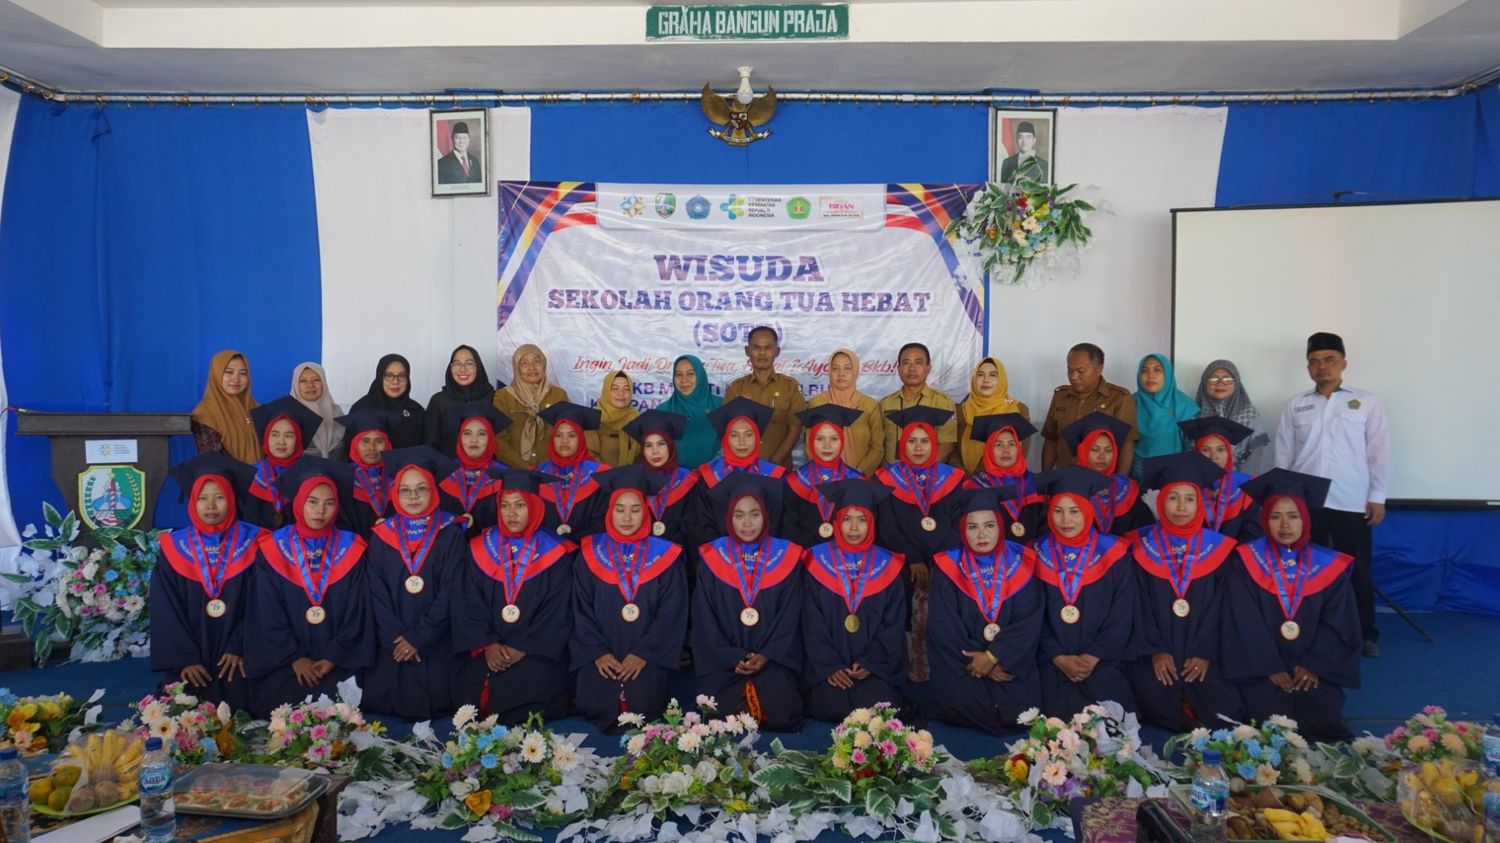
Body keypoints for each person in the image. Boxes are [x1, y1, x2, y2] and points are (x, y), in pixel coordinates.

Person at [1274, 332, 1390, 657]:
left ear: (1343, 364)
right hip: (1305, 504)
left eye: (1329, 360)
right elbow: (1284, 454)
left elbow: (1379, 451)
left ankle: (1365, 633)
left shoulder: (1365, 401)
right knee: (1308, 568)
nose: (1321, 366)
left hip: (1351, 500)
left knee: (1357, 568)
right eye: (1314, 361)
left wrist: (1377, 495)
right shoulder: (1296, 405)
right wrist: (1284, 501)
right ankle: (1311, 628)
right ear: (1308, 367)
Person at [1223, 469, 1360, 742]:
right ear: (1264, 519)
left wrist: (1314, 665)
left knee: (1324, 717)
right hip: (1260, 668)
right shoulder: (1245, 560)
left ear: (1305, 519)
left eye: (1293, 516)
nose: (1285, 525)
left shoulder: (1329, 564)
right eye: (1275, 516)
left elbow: (1338, 622)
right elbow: (1243, 619)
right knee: (1263, 720)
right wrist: (1269, 666)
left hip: (1312, 668)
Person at [244, 457, 371, 717]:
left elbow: (359, 609)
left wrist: (335, 656)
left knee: (346, 709)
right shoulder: (271, 548)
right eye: (312, 502)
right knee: (282, 708)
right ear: (300, 503)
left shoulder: (353, 547)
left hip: (338, 660)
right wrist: (294, 657)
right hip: (286, 662)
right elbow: (266, 610)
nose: (320, 511)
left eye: (329, 502)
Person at [1127, 452, 1244, 732]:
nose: (1181, 507)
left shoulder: (1222, 549)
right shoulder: (1139, 546)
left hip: (1206, 650)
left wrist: (1204, 651)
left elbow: (1224, 607)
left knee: (1228, 708)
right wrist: (1156, 650)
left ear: (1200, 503)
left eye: (1190, 498)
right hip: (1155, 650)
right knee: (1146, 701)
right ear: (1161, 500)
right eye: (1173, 497)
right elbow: (1136, 605)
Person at [454, 469, 576, 723]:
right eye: (505, 505)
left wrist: (523, 646)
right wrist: (487, 644)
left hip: (534, 653)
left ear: (534, 507)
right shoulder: (479, 547)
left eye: (520, 505)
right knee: (467, 699)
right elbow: (467, 600)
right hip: (488, 649)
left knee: (530, 703)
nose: (511, 513)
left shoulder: (557, 552)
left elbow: (557, 609)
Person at [572, 467, 687, 730]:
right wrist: (598, 653)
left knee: (646, 705)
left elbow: (671, 611)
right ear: (609, 511)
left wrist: (643, 654)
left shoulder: (666, 555)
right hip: (600, 657)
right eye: (620, 509)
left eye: (635, 510)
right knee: (594, 704)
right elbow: (580, 607)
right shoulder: (589, 552)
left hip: (647, 658)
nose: (627, 517)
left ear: (646, 511)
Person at [150, 453, 266, 711]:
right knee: (180, 705)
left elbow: (263, 603)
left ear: (232, 499)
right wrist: (184, 658)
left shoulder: (256, 543)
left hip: (238, 655)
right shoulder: (174, 547)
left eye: (220, 497)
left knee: (244, 704)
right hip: (191, 654)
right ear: (192, 501)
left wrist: (240, 645)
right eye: (203, 498)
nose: (211, 506)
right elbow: (165, 610)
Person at [928, 487, 1045, 734]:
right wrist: (982, 662)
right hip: (966, 667)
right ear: (962, 530)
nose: (982, 534)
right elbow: (945, 626)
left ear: (1000, 526)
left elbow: (1028, 621)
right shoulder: (947, 566)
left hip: (1011, 664)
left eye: (989, 525)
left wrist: (995, 657)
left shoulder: (1021, 561)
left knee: (1024, 707)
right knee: (962, 703)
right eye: (973, 527)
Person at [694, 472, 805, 730]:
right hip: (724, 662)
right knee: (715, 713)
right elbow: (704, 618)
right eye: (739, 515)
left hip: (773, 658)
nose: (747, 524)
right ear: (728, 517)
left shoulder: (786, 555)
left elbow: (790, 614)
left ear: (766, 516)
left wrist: (767, 654)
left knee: (782, 709)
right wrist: (733, 656)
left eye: (755, 514)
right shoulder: (711, 557)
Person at [362, 446, 467, 719]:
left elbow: (451, 591)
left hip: (437, 641)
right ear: (395, 493)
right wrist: (398, 638)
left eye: (422, 489)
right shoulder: (382, 536)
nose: (413, 496)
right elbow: (376, 593)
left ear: (434, 492)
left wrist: (418, 638)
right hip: (392, 642)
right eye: (405, 490)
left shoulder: (450, 534)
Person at [1031, 466, 1138, 717]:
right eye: (1058, 511)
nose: (1066, 520)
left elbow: (1122, 613)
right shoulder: (1035, 554)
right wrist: (1058, 657)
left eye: (1074, 511)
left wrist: (1093, 655)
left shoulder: (1114, 553)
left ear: (1088, 511)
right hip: (1051, 662)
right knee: (1050, 725)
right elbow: (1032, 615)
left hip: (1102, 661)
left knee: (1114, 723)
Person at [800, 479, 908, 722]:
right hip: (828, 667)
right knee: (827, 705)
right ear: (837, 522)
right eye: (847, 519)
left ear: (872, 523)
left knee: (879, 706)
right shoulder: (816, 560)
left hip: (874, 666)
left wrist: (871, 663)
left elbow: (893, 623)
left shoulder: (888, 564)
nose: (854, 527)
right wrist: (829, 666)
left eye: (862, 519)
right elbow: (810, 620)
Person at [875, 406, 966, 682]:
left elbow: (957, 524)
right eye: (911, 441)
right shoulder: (886, 480)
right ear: (903, 444)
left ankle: (943, 669)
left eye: (925, 441)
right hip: (903, 563)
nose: (918, 447)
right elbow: (886, 526)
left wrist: (937, 560)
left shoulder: (953, 479)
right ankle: (905, 669)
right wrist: (913, 558)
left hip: (943, 562)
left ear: (934, 444)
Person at [1040, 343, 1138, 471]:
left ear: (1099, 369)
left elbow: (1127, 443)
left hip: (1102, 479)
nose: (1073, 376)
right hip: (1064, 478)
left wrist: (1121, 480)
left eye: (1080, 371)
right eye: (1070, 370)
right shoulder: (1060, 396)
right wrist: (1045, 476)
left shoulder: (1119, 398)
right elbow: (1051, 440)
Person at [723, 326, 807, 469]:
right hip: (744, 471)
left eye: (768, 347)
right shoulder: (736, 389)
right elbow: (728, 432)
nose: (762, 353)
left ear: (777, 351)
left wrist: (773, 464)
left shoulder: (790, 387)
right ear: (747, 351)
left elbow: (795, 430)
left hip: (780, 471)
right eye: (756, 347)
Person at [784, 405, 864, 549]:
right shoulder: (795, 481)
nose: (827, 446)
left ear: (842, 441)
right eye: (820, 439)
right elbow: (789, 526)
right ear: (811, 441)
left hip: (844, 557)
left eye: (834, 439)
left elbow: (862, 527)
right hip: (805, 555)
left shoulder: (857, 481)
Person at [1061, 412, 1153, 537]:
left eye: (1108, 450)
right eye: (1094, 449)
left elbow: (1141, 532)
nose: (1102, 456)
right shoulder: (1065, 487)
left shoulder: (1127, 489)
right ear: (1082, 451)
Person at [963, 413, 1046, 543]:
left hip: (1032, 554)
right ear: (989, 449)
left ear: (1019, 448)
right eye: (998, 444)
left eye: (1011, 444)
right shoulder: (975, 487)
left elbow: (1045, 526)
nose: (1006, 450)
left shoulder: (1035, 484)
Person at [618, 410, 698, 545]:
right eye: (648, 445)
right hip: (640, 554)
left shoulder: (689, 479)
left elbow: (693, 526)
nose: (655, 451)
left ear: (670, 446)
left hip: (678, 552)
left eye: (661, 444)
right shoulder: (632, 479)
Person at [243, 397, 323, 530]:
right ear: (266, 437)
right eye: (275, 434)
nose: (281, 442)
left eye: (289, 436)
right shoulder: (252, 475)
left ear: (298, 440)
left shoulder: (311, 475)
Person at [437, 402, 512, 537]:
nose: (474, 440)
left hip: (490, 549)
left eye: (482, 434)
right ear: (460, 438)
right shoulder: (444, 472)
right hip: (448, 548)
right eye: (467, 433)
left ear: (490, 438)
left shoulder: (505, 475)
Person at [1180, 417, 1260, 541]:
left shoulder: (1248, 486)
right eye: (1205, 450)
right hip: (1196, 555)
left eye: (1221, 450)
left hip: (1237, 556)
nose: (1214, 457)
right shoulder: (1185, 487)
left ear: (1228, 453)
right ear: (1196, 452)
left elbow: (1253, 533)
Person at [879, 343, 959, 465]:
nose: (912, 368)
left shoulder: (942, 402)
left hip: (927, 476)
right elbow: (879, 444)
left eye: (918, 362)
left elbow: (947, 444)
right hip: (892, 476)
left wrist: (922, 471)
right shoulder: (885, 404)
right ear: (899, 368)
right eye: (906, 363)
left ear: (928, 368)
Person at [493, 344, 570, 468]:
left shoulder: (558, 395)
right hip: (513, 471)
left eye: (536, 362)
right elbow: (498, 440)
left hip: (551, 471)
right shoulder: (502, 397)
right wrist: (523, 468)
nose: (531, 367)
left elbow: (567, 435)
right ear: (516, 368)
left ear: (544, 365)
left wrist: (550, 467)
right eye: (524, 363)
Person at [535, 402, 606, 537]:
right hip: (548, 549)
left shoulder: (600, 475)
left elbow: (601, 520)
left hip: (586, 548)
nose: (565, 441)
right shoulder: (538, 474)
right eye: (559, 435)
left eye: (572, 435)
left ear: (581, 439)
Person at [808, 348, 884, 475]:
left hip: (860, 478)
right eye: (835, 368)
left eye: (847, 368)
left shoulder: (868, 405)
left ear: (855, 371)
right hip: (825, 477)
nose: (841, 374)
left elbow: (877, 446)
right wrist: (825, 472)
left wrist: (858, 472)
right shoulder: (818, 403)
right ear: (829, 372)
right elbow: (810, 444)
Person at [956, 356, 1029, 475]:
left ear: (1002, 380)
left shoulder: (1018, 409)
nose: (986, 380)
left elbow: (1021, 452)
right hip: (965, 480)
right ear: (974, 379)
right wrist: (964, 476)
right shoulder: (961, 410)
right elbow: (953, 450)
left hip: (1004, 481)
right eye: (980, 374)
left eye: (993, 375)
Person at [1194, 359, 1270, 474]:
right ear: (1204, 383)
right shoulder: (1194, 414)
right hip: (1200, 483)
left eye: (1227, 378)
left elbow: (1255, 460)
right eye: (1213, 378)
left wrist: (1239, 485)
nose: (1220, 383)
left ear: (1237, 383)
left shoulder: (1249, 416)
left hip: (1238, 485)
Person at [1130, 353, 1198, 480]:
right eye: (1145, 371)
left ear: (1168, 374)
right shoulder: (1130, 403)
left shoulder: (1184, 405)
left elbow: (1191, 448)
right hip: (1138, 476)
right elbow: (1125, 445)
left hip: (1175, 474)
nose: (1150, 375)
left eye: (1157, 370)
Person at [336, 408, 399, 537]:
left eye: (379, 441)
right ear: (354, 444)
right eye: (365, 441)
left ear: (387, 444)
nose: (372, 448)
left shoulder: (398, 476)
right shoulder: (343, 478)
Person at [423, 345, 497, 456]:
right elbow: (429, 445)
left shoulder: (493, 397)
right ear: (450, 368)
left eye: (469, 364)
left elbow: (499, 441)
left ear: (478, 366)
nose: (463, 369)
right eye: (457, 364)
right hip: (448, 469)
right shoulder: (439, 401)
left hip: (486, 469)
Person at [191, 350, 261, 463]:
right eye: (229, 372)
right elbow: (213, 460)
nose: (236, 379)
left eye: (243, 373)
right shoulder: (205, 413)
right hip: (228, 479)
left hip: (264, 478)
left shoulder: (256, 408)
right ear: (216, 374)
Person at [657, 354, 722, 469]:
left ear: (700, 376)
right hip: (677, 481)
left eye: (690, 374)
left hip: (716, 477)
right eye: (679, 375)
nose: (684, 380)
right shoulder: (663, 410)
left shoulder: (720, 405)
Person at [349, 354, 426, 449]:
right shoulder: (361, 409)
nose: (395, 382)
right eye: (389, 375)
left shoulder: (416, 410)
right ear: (380, 377)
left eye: (401, 376)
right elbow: (349, 449)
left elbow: (424, 450)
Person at [291, 362, 345, 459]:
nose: (310, 385)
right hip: (300, 472)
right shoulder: (288, 415)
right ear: (295, 385)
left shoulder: (337, 412)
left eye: (316, 380)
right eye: (303, 381)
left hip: (336, 470)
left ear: (324, 382)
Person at [588, 370, 641, 467]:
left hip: (632, 479)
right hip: (601, 479)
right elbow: (590, 456)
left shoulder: (637, 419)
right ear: (606, 392)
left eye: (626, 389)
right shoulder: (593, 420)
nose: (621, 393)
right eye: (615, 388)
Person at [998, 120, 1051, 184]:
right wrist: (1015, 181)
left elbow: (1045, 190)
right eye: (1020, 137)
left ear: (1034, 140)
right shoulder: (1007, 162)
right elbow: (1002, 189)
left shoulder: (1044, 164)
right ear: (1016, 140)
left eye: (1028, 137)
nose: (1024, 141)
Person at [436, 120, 482, 184]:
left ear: (469, 139)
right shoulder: (441, 163)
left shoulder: (475, 161)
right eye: (457, 138)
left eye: (464, 137)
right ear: (452, 139)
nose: (461, 141)